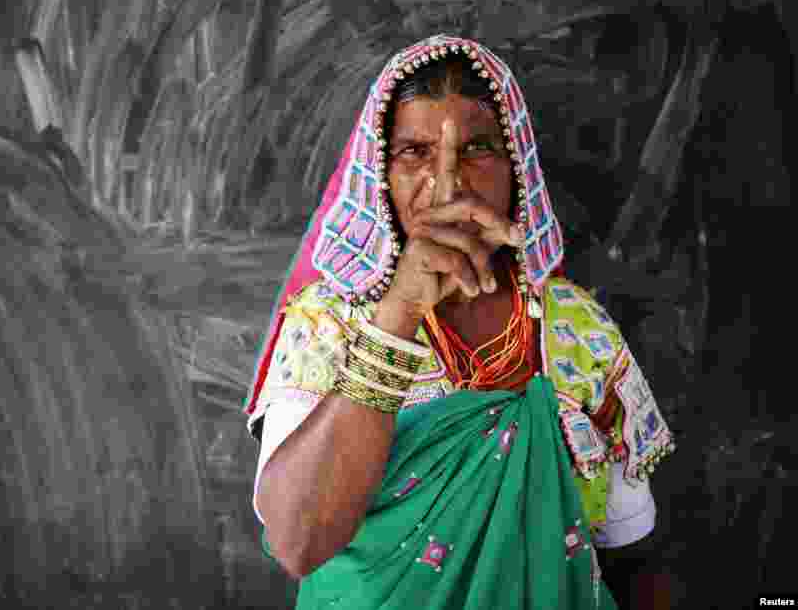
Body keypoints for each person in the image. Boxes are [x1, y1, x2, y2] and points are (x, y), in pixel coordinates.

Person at [242, 35, 676, 609]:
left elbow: (630, 559)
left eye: (477, 149)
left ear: (516, 168)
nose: (448, 183)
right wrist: (395, 315)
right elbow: (301, 543)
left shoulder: (576, 332)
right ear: (381, 174)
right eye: (414, 152)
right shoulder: (328, 324)